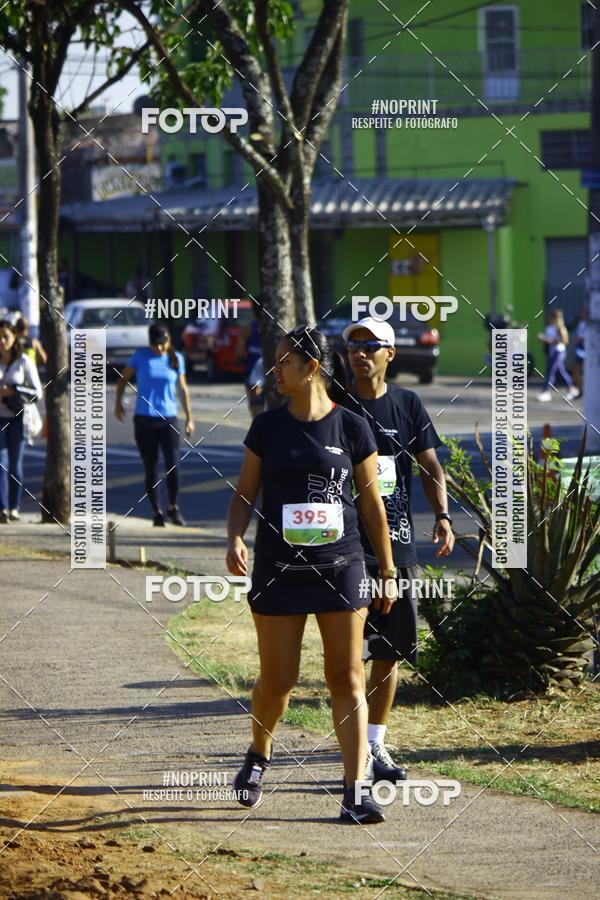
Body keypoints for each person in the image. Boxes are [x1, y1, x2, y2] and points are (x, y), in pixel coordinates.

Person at [226, 325, 398, 825]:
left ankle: (355, 790)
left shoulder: (352, 427)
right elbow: (244, 493)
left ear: (312, 368)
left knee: (346, 676)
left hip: (341, 567)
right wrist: (234, 536)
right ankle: (259, 755)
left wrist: (385, 569)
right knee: (278, 680)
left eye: (284, 362)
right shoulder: (268, 428)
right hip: (278, 568)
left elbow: (371, 506)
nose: (275, 370)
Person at [343, 317, 455, 781]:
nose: (360, 353)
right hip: (346, 550)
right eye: (353, 345)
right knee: (348, 658)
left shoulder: (407, 404)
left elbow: (430, 466)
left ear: (390, 354)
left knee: (389, 653)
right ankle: (352, 760)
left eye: (371, 346)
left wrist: (443, 517)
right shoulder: (338, 406)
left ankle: (375, 749)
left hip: (399, 550)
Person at [115, 323, 194, 526]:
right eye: (154, 344)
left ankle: (173, 508)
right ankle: (157, 512)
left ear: (168, 341)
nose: (157, 348)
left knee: (173, 465)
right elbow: (122, 380)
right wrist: (118, 403)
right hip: (144, 419)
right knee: (151, 467)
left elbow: (183, 389)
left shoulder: (176, 359)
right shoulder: (140, 356)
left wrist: (189, 417)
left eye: (161, 344)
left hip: (169, 418)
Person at [0, 319, 43, 522]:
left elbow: (37, 393)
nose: (2, 341)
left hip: (18, 418)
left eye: (5, 336)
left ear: (14, 337)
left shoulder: (23, 361)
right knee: (1, 463)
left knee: (15, 465)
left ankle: (15, 507)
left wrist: (13, 391)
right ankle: (3, 508)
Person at [537, 309, 578, 402]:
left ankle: (545, 391)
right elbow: (548, 339)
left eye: (552, 317)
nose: (549, 318)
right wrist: (544, 339)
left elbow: (565, 340)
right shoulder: (549, 327)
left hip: (558, 352)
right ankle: (571, 388)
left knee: (550, 371)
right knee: (561, 372)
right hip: (552, 352)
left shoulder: (560, 328)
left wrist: (550, 341)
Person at [244, 302, 264, 419]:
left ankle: (258, 428)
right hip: (273, 369)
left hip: (252, 370)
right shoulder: (274, 328)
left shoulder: (248, 329)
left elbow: (239, 351)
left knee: (255, 403)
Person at [572, 309, 586, 398]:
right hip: (580, 349)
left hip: (589, 349)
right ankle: (581, 389)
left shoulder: (593, 324)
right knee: (575, 368)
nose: (581, 313)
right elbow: (577, 337)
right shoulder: (581, 324)